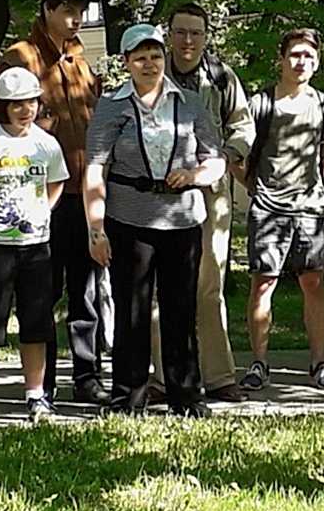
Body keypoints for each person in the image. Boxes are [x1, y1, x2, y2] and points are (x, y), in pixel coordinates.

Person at [84, 24, 224, 416]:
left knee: (181, 310)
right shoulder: (111, 106)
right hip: (129, 219)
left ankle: (187, 398)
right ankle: (128, 399)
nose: (150, 64)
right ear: (126, 62)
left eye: (156, 56)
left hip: (182, 219)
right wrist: (96, 229)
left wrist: (194, 175)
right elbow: (94, 169)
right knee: (132, 310)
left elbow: (216, 160)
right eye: (141, 57)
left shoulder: (190, 102)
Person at [0, 0, 107, 405]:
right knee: (42, 291)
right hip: (38, 196)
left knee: (86, 289)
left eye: (81, 11)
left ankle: (87, 376)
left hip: (82, 192)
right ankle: (41, 381)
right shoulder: (20, 58)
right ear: (47, 10)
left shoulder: (80, 62)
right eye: (68, 10)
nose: (76, 19)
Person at [148, 2, 254, 404]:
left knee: (209, 285)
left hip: (210, 193)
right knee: (160, 287)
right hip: (161, 194)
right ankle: (163, 379)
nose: (187, 40)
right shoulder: (154, 74)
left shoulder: (221, 77)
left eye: (195, 32)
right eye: (180, 32)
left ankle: (219, 376)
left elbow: (244, 126)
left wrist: (224, 157)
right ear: (169, 35)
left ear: (206, 37)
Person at [239, 29, 324, 392]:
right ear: (282, 59)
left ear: (317, 63)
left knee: (313, 284)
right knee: (263, 284)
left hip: (310, 211)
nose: (302, 62)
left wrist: (319, 181)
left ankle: (319, 364)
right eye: (296, 55)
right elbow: (236, 152)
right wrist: (253, 187)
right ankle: (259, 364)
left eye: (309, 57)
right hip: (268, 210)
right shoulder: (260, 103)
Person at [0, 67, 69, 425]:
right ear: (2, 107)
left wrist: (42, 210)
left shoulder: (46, 144)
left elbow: (57, 182)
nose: (26, 110)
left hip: (36, 248)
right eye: (16, 104)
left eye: (31, 102)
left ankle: (36, 396)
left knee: (37, 323)